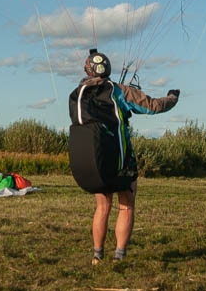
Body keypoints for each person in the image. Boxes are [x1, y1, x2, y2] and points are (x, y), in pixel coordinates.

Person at [68, 49, 179, 265]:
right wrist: (172, 97)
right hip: (120, 159)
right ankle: (119, 256)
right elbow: (153, 107)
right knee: (126, 204)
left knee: (102, 206)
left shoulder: (77, 94)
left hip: (94, 160)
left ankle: (97, 255)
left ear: (87, 70)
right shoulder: (118, 91)